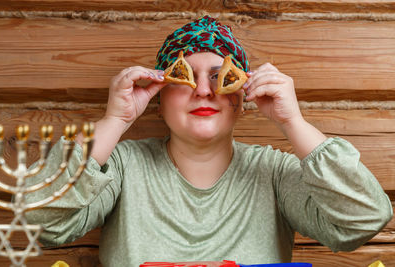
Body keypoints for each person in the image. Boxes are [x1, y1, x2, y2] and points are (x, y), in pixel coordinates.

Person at [26, 16, 393, 267]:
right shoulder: (122, 167)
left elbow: (363, 221)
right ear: (158, 95)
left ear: (243, 95)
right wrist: (114, 120)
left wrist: (292, 121)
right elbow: (41, 223)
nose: (203, 91)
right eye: (184, 78)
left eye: (220, 78)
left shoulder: (274, 173)